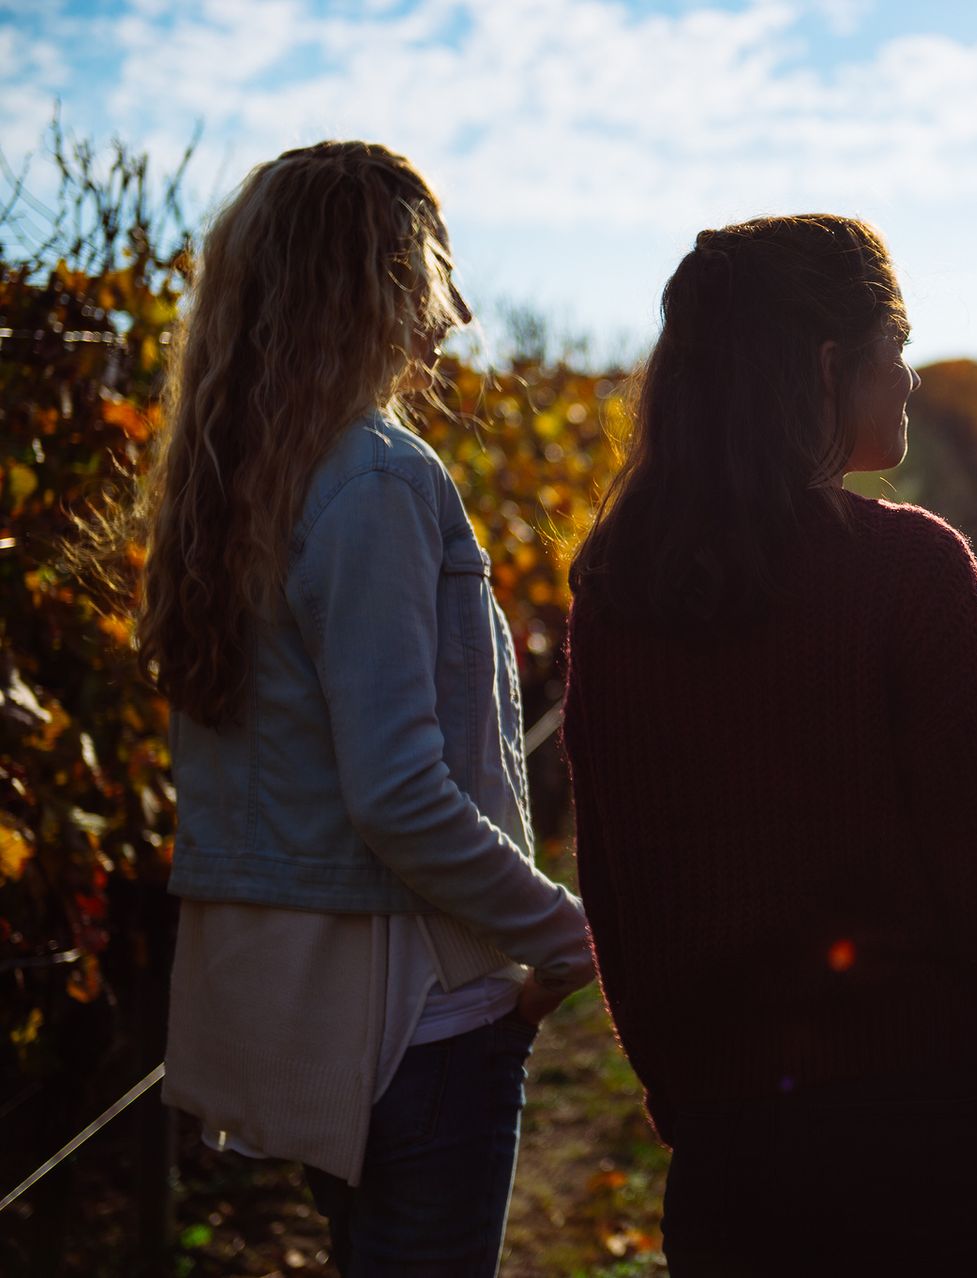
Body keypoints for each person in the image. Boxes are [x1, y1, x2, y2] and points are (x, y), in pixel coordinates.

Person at [563, 214, 977, 1277]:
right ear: (830, 367)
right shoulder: (909, 572)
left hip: (732, 1158)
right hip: (937, 1147)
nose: (912, 382)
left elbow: (617, 879)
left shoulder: (617, 590)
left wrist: (690, 1097)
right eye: (899, 350)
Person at [136, 141, 594, 1274]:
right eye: (437, 273)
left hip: (295, 1023)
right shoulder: (377, 480)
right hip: (415, 1027)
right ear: (380, 283)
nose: (459, 313)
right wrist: (567, 932)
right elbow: (395, 792)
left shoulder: (237, 478)